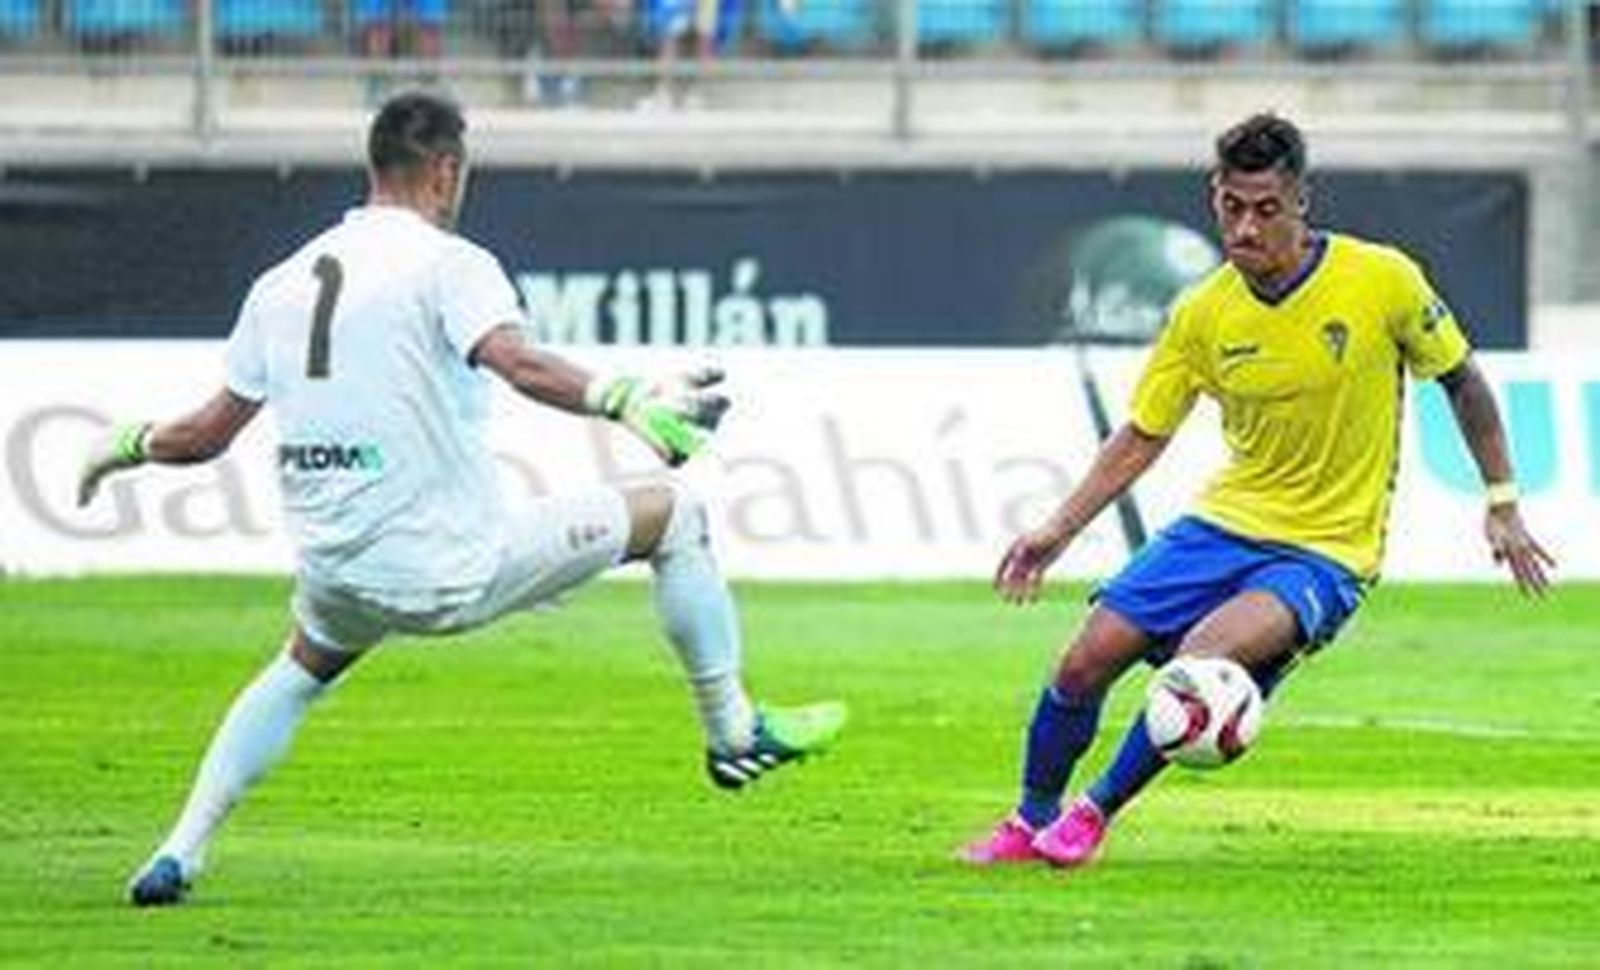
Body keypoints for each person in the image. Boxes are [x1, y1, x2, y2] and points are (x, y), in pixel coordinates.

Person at [77, 90, 846, 907]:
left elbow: (204, 435)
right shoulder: (449, 264)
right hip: (447, 569)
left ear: (375, 168)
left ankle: (178, 851)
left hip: (338, 568)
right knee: (675, 514)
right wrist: (625, 400)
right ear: (446, 172)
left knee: (299, 670)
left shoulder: (284, 282)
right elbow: (519, 363)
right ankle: (733, 732)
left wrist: (123, 446)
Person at [960, 112, 1554, 870]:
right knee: (1082, 662)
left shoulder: (1382, 279)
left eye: (1266, 209)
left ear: (1302, 202)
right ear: (1215, 197)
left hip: (1326, 551)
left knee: (1201, 663)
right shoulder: (1202, 313)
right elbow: (1143, 434)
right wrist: (1059, 529)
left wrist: (1502, 500)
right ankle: (1028, 819)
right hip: (1222, 523)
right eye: (1231, 207)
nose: (1245, 228)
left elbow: (1462, 380)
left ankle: (1091, 813)